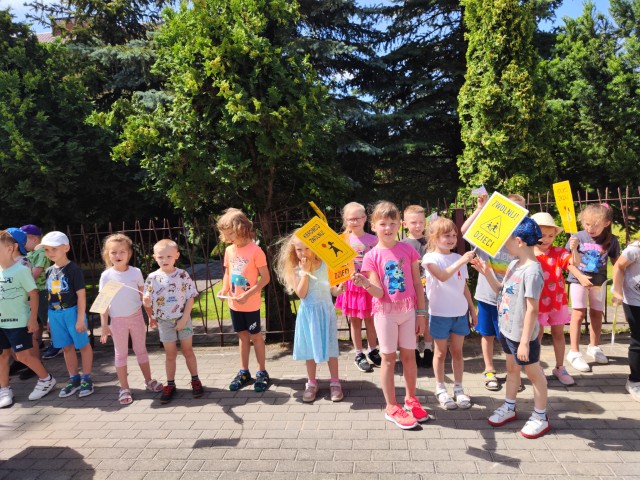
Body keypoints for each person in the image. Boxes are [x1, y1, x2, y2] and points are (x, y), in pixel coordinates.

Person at [352, 201, 428, 429]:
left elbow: (417, 283)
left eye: (393, 223)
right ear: (374, 226)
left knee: (409, 357)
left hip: (409, 312)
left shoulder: (408, 250)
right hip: (385, 314)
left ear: (399, 225)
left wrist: (421, 314)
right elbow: (379, 293)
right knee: (388, 358)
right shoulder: (371, 256)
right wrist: (365, 284)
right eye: (383, 224)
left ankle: (411, 399)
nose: (388, 228)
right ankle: (391, 406)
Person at [473, 217, 549, 439]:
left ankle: (540, 416)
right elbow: (501, 290)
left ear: (518, 241)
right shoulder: (514, 264)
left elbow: (532, 309)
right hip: (507, 330)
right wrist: (486, 272)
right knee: (512, 369)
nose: (504, 246)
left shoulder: (532, 271)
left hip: (522, 336)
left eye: (506, 241)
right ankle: (509, 406)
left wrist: (524, 342)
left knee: (534, 374)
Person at [461, 193, 526, 391]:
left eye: (520, 211)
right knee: (487, 334)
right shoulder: (488, 234)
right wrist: (480, 209)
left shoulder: (521, 240)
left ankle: (513, 373)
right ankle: (489, 369)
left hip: (511, 299)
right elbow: (464, 230)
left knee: (510, 338)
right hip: (487, 296)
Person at [274, 231, 343, 403]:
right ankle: (311, 383)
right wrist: (305, 272)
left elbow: (331, 289)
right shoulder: (297, 269)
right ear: (294, 250)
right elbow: (302, 294)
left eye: (307, 248)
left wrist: (339, 290)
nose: (303, 253)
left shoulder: (326, 264)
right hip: (309, 314)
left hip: (325, 312)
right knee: (311, 349)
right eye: (299, 249)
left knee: (331, 348)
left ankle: (335, 382)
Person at [99, 234, 163, 405]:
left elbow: (144, 297)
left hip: (136, 318)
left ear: (129, 254)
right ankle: (124, 387)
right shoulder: (106, 276)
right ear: (108, 254)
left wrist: (150, 316)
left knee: (141, 350)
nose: (118, 255)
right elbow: (103, 303)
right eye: (113, 252)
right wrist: (104, 325)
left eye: (122, 252)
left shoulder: (136, 272)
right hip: (117, 321)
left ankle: (148, 380)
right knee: (120, 354)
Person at [422, 217, 477, 410]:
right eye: (447, 235)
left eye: (454, 235)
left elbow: (464, 286)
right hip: (440, 314)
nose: (452, 239)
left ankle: (459, 388)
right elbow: (443, 276)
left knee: (457, 352)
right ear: (434, 237)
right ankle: (440, 388)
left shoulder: (457, 257)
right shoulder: (430, 258)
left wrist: (472, 309)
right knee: (440, 353)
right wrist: (462, 260)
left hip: (460, 313)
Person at [0, 230, 57, 408]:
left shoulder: (21, 270)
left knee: (22, 356)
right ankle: (4, 389)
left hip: (18, 322)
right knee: (2, 356)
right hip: (1, 323)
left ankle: (46, 379)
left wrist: (33, 319)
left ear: (11, 248)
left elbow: (33, 294)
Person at [217, 208, 271, 392]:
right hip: (234, 303)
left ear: (242, 229)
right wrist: (224, 289)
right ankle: (244, 372)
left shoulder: (256, 251)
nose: (228, 238)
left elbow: (265, 278)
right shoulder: (229, 250)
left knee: (255, 336)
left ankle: (262, 372)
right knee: (242, 335)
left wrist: (248, 294)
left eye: (231, 234)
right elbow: (228, 273)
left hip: (251, 304)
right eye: (225, 235)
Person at [143, 239, 202, 404]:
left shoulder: (182, 275)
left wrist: (184, 319)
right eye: (160, 257)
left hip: (183, 319)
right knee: (170, 354)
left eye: (169, 256)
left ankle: (195, 380)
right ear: (155, 257)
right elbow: (147, 302)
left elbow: (190, 298)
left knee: (188, 351)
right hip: (164, 322)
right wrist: (146, 302)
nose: (165, 260)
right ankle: (170, 384)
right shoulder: (152, 278)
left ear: (177, 255)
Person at [37, 231, 95, 398]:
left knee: (83, 345)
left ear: (66, 248)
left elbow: (81, 295)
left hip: (73, 313)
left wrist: (80, 319)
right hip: (55, 314)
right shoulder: (49, 271)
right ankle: (74, 378)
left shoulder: (73, 270)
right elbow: (51, 295)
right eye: (47, 250)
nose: (50, 253)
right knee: (66, 347)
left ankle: (87, 378)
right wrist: (49, 317)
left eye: (54, 248)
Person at [565, 203, 620, 372]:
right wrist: (580, 277)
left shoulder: (612, 240)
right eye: (587, 224)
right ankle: (574, 352)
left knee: (597, 314)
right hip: (578, 280)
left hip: (599, 282)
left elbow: (617, 263)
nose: (590, 228)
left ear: (606, 223)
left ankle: (594, 347)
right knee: (578, 314)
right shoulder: (577, 237)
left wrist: (619, 283)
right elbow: (567, 262)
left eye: (595, 225)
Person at [530, 212, 581, 385]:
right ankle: (536, 367)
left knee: (558, 334)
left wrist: (574, 249)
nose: (546, 239)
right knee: (536, 336)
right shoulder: (528, 253)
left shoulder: (559, 252)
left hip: (557, 302)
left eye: (550, 236)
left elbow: (574, 263)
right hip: (536, 303)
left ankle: (560, 367)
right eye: (542, 235)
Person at [335, 202, 380, 372]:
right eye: (351, 219)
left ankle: (373, 350)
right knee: (354, 321)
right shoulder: (341, 240)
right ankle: (359, 354)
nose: (355, 222)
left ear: (365, 218)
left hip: (369, 285)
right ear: (345, 220)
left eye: (358, 218)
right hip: (351, 286)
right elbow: (336, 265)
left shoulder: (374, 240)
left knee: (371, 320)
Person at [401, 205, 434, 369]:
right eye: (413, 222)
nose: (418, 225)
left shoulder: (431, 243)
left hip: (429, 289)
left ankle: (428, 349)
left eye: (421, 222)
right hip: (411, 290)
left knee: (427, 319)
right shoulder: (402, 245)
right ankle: (413, 348)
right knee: (412, 320)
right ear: (404, 224)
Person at [612, 238, 640, 402]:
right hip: (635, 300)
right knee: (638, 340)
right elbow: (619, 266)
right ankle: (634, 381)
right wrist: (617, 291)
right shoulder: (635, 249)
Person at [21, 225, 55, 360]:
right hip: (35, 291)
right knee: (38, 320)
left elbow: (36, 273)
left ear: (35, 239)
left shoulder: (41, 253)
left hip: (43, 290)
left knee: (48, 319)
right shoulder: (29, 254)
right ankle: (39, 343)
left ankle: (56, 344)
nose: (22, 243)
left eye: (24, 239)